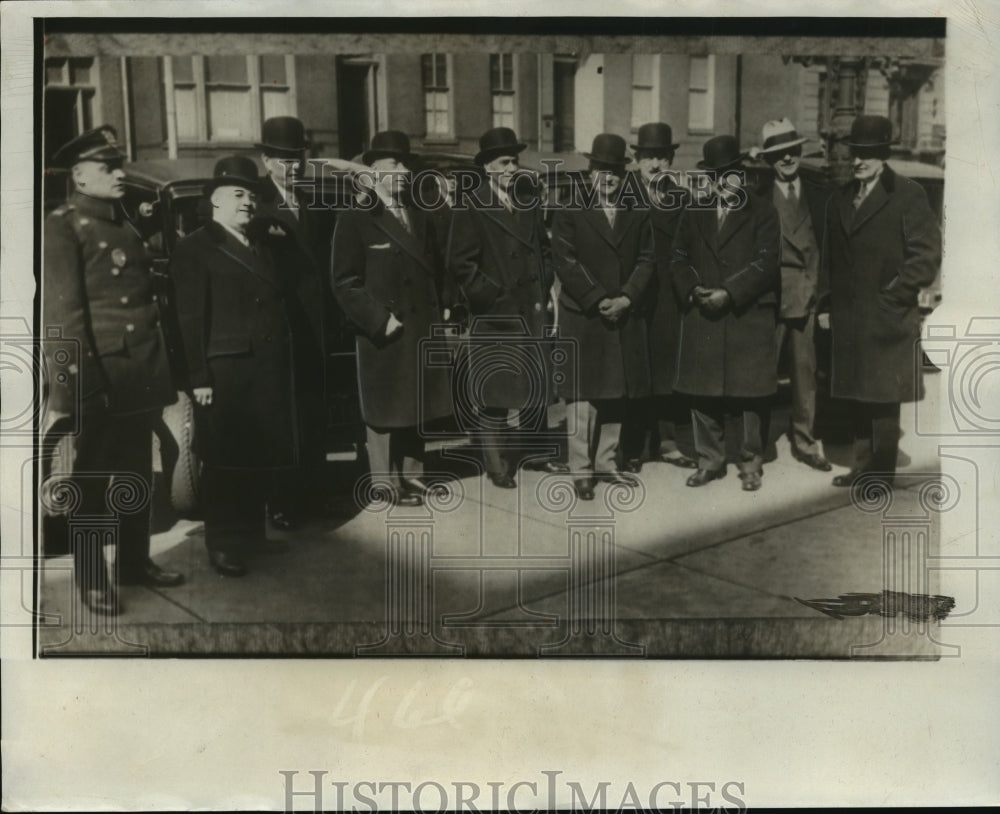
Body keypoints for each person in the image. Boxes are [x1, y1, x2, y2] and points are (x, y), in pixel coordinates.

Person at [43, 125, 183, 614]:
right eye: (109, 167)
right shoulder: (62, 227)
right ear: (81, 176)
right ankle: (91, 576)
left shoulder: (124, 227)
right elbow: (64, 317)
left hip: (138, 375)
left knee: (136, 475)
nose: (120, 174)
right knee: (91, 481)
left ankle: (133, 562)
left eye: (120, 165)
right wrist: (76, 389)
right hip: (99, 379)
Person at [170, 156, 299, 577]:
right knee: (225, 461)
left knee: (258, 454)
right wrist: (199, 379)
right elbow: (189, 319)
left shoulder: (258, 242)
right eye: (238, 195)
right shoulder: (196, 246)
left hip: (263, 368)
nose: (248, 203)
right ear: (215, 200)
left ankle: (250, 536)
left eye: (252, 196)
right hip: (226, 372)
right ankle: (222, 543)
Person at [818, 114, 941, 487]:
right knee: (857, 393)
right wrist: (824, 304)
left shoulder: (907, 195)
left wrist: (895, 295)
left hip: (887, 315)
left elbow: (926, 255)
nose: (858, 160)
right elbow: (830, 258)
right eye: (855, 152)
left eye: (868, 154)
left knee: (884, 397)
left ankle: (881, 473)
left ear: (883, 155)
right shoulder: (839, 198)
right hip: (849, 316)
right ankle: (861, 467)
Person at [330, 130, 452, 506]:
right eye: (393, 164)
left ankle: (414, 476)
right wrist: (380, 320)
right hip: (383, 329)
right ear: (374, 171)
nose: (402, 171)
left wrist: (443, 306)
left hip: (420, 326)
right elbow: (344, 281)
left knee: (417, 401)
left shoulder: (418, 212)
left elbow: (436, 265)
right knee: (384, 409)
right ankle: (383, 483)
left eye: (405, 164)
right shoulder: (357, 215)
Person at [446, 126, 567, 489]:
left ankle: (537, 454)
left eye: (514, 161)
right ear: (487, 167)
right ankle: (497, 465)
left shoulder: (527, 201)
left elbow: (543, 252)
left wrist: (543, 290)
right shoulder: (471, 205)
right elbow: (460, 263)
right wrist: (493, 298)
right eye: (504, 162)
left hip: (530, 309)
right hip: (497, 315)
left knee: (534, 388)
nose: (512, 168)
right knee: (496, 391)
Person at [671, 135, 781, 492]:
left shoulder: (763, 210)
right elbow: (678, 258)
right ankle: (710, 461)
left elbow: (767, 263)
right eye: (716, 176)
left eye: (729, 174)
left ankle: (750, 463)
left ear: (741, 174)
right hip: (704, 312)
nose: (722, 182)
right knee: (703, 393)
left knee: (748, 394)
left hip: (744, 313)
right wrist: (692, 289)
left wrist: (729, 293)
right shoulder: (695, 211)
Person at [551, 133, 655, 500]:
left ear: (623, 174)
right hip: (584, 314)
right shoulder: (569, 208)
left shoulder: (636, 209)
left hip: (622, 312)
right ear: (590, 170)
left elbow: (647, 259)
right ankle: (581, 469)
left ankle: (606, 462)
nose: (608, 178)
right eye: (601, 170)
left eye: (614, 171)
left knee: (616, 391)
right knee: (581, 396)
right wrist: (598, 299)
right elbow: (565, 261)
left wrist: (626, 297)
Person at [254, 116, 335, 529]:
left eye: (298, 158)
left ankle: (312, 494)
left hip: (313, 331)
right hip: (279, 332)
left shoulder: (310, 204)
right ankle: (280, 501)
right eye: (284, 159)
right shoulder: (255, 204)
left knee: (312, 414)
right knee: (281, 418)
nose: (294, 166)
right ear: (266, 160)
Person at [620, 122, 698, 473]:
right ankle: (634, 447)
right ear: (636, 159)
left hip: (668, 296)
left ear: (670, 160)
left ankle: (667, 442)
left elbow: (691, 247)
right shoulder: (621, 193)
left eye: (661, 157)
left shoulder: (681, 197)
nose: (655, 164)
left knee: (666, 372)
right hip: (633, 295)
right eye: (648, 157)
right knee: (636, 375)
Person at [755, 118, 832, 472]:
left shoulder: (819, 192)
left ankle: (805, 441)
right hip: (770, 299)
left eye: (793, 151)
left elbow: (829, 248)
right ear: (769, 160)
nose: (788, 159)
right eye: (780, 154)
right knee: (761, 375)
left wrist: (823, 296)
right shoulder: (758, 194)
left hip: (808, 297)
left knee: (806, 375)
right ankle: (755, 445)